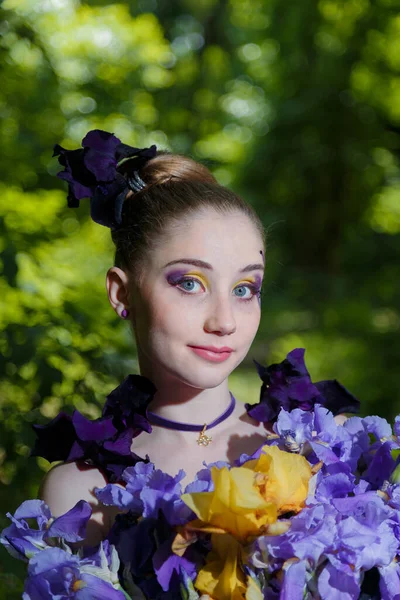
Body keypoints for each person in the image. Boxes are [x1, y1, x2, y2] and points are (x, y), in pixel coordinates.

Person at [35, 130, 349, 548]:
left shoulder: (324, 449)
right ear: (122, 292)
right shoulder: (81, 495)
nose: (224, 322)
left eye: (244, 289)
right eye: (189, 283)